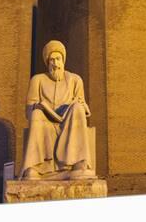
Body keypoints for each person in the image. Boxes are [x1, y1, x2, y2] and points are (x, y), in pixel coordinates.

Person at [20, 40, 94, 180]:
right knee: (36, 113)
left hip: (69, 122)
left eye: (58, 59)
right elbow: (29, 109)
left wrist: (79, 105)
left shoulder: (75, 80)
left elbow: (83, 105)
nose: (55, 63)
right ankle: (35, 167)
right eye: (52, 60)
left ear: (63, 60)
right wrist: (37, 107)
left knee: (77, 108)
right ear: (47, 63)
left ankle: (78, 163)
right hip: (45, 123)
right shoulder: (38, 80)